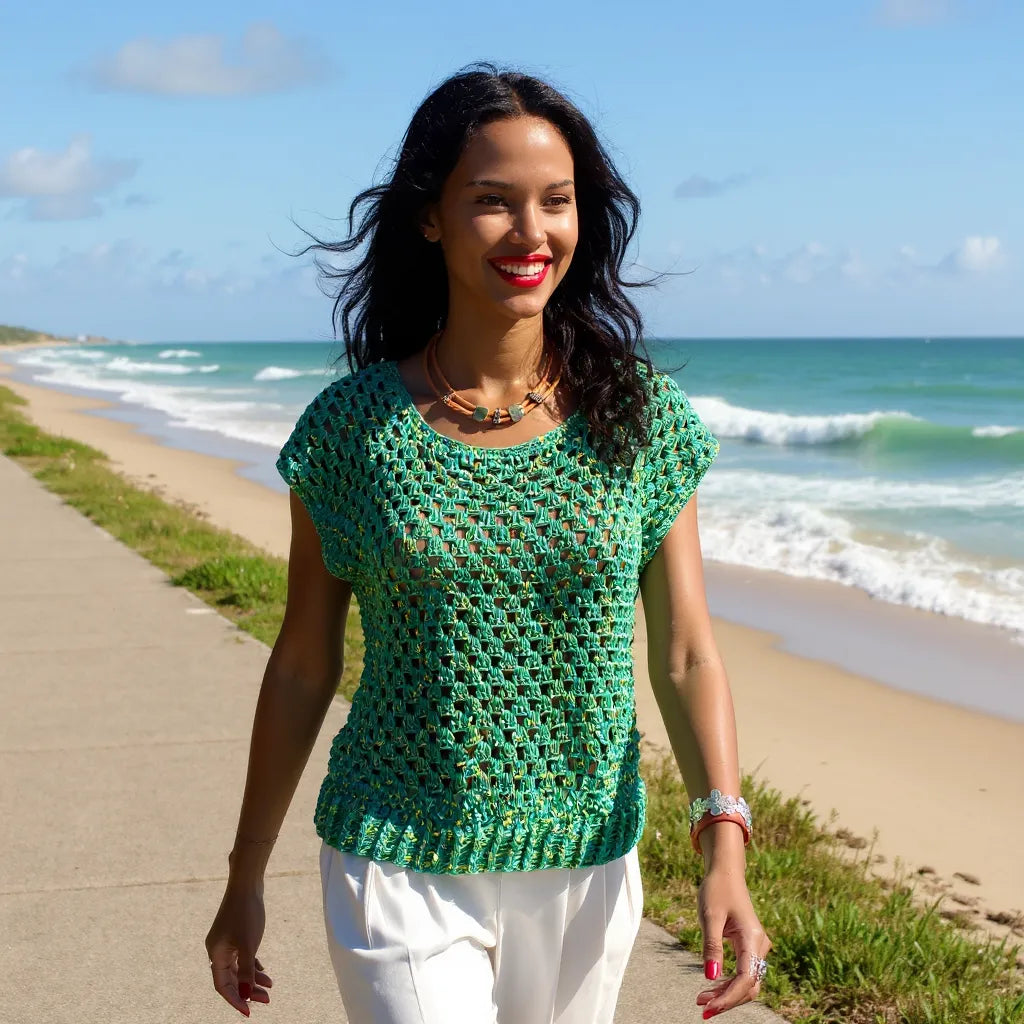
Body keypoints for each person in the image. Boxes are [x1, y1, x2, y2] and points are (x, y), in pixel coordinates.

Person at [205, 61, 771, 1024]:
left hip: (588, 861)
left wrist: (724, 842)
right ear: (430, 216)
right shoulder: (353, 432)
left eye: (557, 202)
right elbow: (304, 662)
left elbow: (685, 652)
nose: (531, 232)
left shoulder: (639, 420)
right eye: (493, 202)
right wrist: (245, 872)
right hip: (398, 855)